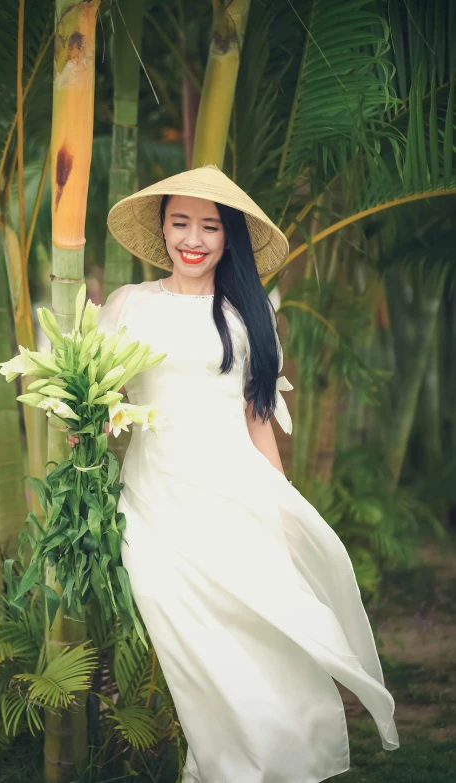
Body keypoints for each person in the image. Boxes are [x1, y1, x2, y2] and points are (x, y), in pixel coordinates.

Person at [67, 165, 399, 782]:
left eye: (209, 226)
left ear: (229, 237)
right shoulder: (127, 305)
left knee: (262, 644)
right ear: (162, 229)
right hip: (154, 509)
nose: (193, 238)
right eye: (180, 222)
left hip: (235, 501)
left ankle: (268, 764)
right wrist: (88, 418)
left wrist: (281, 507)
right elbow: (102, 404)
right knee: (195, 657)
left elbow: (259, 421)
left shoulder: (247, 314)